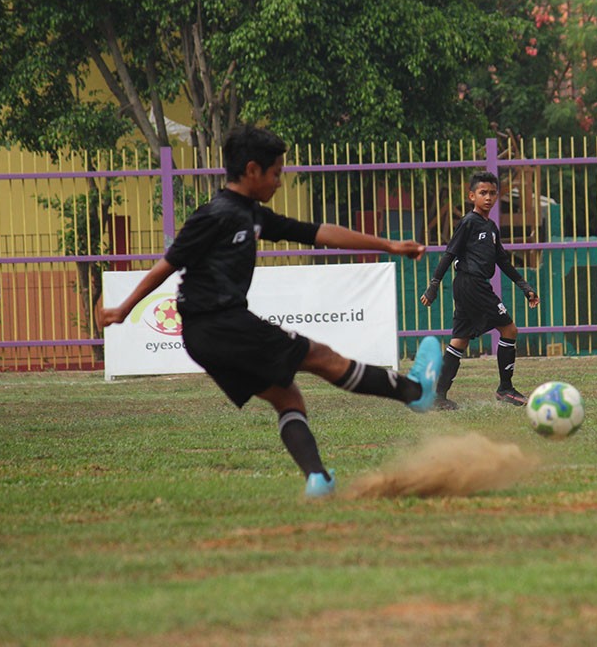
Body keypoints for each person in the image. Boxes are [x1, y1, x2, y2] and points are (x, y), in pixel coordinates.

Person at [97, 124, 442, 498]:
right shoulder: (215, 214)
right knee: (323, 358)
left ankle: (318, 479)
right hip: (222, 324)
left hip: (203, 338)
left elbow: (318, 232)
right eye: (276, 173)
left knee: (287, 398)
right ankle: (415, 391)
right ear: (251, 171)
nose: (280, 181)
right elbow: (169, 262)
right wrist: (123, 309)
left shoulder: (252, 214)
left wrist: (388, 244)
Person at [419, 170, 540, 410]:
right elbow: (449, 254)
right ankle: (505, 388)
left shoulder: (492, 227)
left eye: (492, 193)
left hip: (469, 286)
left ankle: (438, 397)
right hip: (472, 284)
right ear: (471, 195)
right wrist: (433, 285)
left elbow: (503, 260)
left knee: (459, 340)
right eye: (483, 193)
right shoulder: (468, 222)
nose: (488, 198)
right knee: (509, 329)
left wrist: (524, 286)